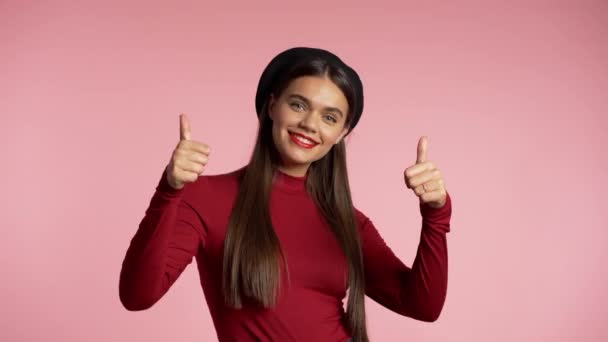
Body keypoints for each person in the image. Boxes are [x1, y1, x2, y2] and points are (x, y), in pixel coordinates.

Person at [118, 47, 452, 342]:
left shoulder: (350, 223)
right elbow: (137, 295)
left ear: (340, 134)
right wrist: (170, 190)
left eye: (329, 117)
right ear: (272, 106)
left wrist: (436, 213)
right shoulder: (205, 198)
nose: (310, 124)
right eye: (298, 105)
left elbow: (422, 306)